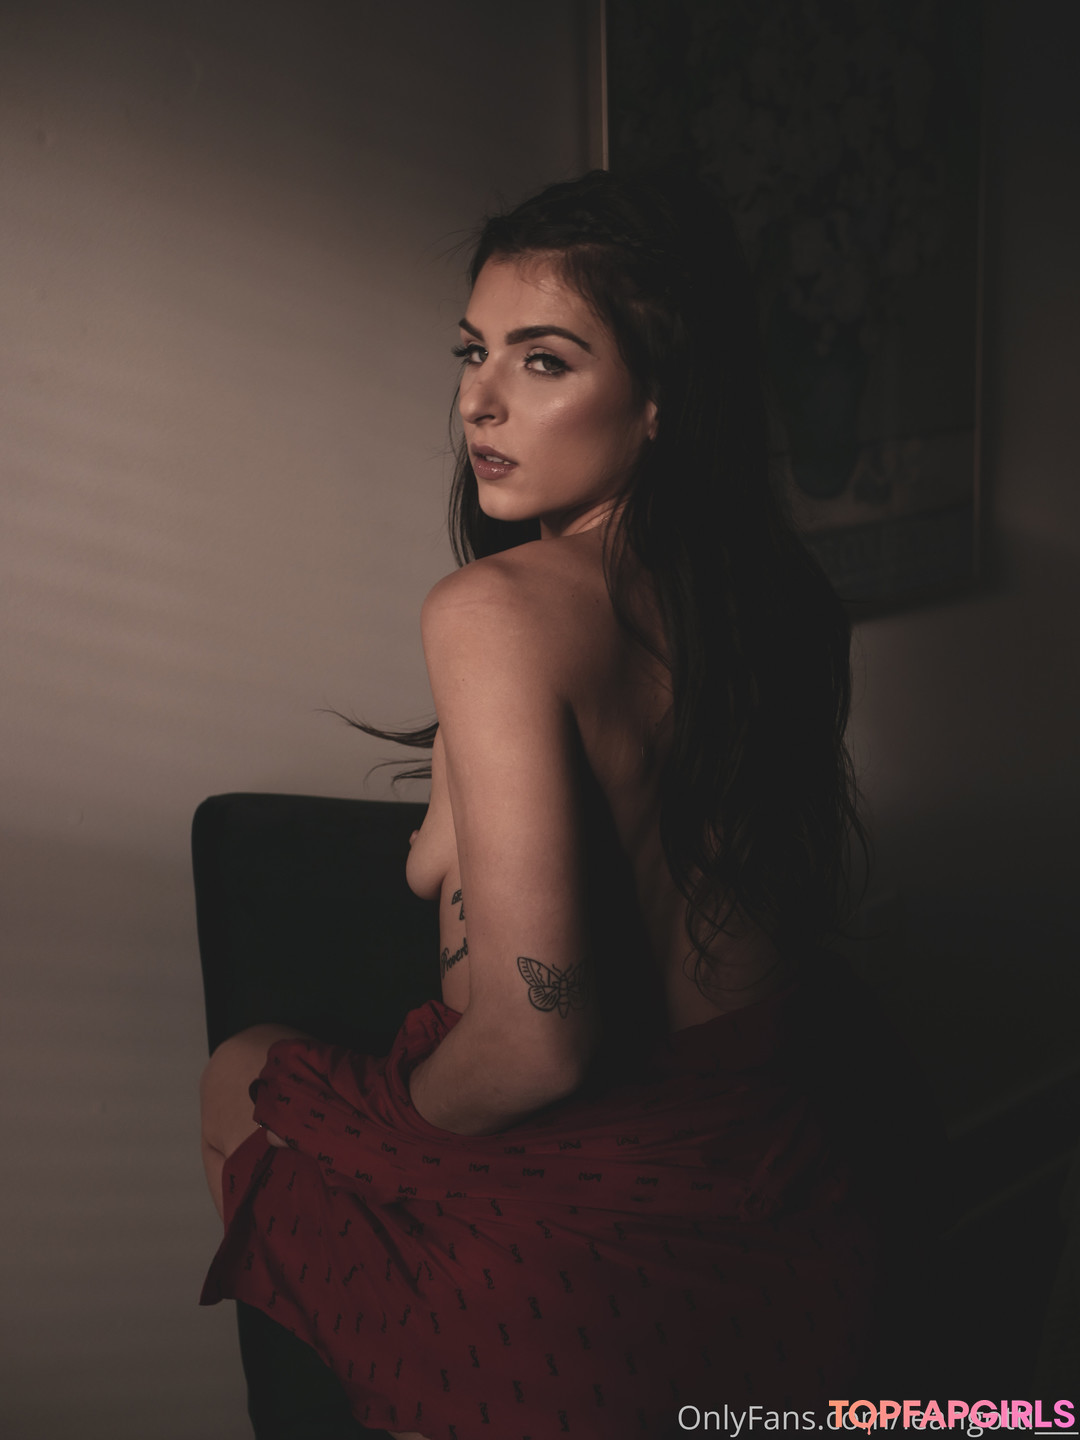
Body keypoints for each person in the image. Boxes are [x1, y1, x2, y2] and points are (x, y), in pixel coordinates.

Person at [200, 170, 886, 1438]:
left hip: (570, 1303)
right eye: (474, 352)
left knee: (242, 1076)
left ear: (662, 396)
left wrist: (381, 1129)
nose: (479, 400)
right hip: (787, 1232)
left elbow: (539, 1041)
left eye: (545, 360)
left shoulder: (497, 615)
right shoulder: (786, 603)